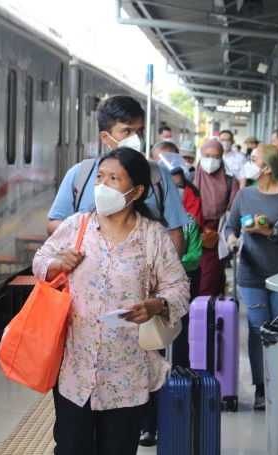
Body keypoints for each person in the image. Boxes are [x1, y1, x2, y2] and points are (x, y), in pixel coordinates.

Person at [33, 147, 190, 455]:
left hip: (127, 375)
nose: (103, 185)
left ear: (137, 191)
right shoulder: (77, 226)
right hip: (75, 371)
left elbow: (180, 287)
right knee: (70, 448)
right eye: (100, 177)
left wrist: (155, 305)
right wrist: (59, 264)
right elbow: (40, 260)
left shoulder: (152, 236)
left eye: (114, 178)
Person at [47, 95, 190, 259]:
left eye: (140, 131)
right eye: (127, 131)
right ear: (105, 137)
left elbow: (174, 232)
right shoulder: (80, 174)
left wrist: (170, 277)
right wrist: (89, 234)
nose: (137, 139)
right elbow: (53, 224)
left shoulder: (159, 176)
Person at [224, 143, 278, 410]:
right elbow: (231, 225)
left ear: (267, 167)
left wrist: (271, 232)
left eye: (253, 159)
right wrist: (232, 239)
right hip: (251, 272)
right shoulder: (245, 194)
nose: (249, 162)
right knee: (258, 329)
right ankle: (261, 388)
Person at [139, 165, 203, 447]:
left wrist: (166, 277)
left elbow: (192, 257)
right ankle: (146, 423)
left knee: (162, 355)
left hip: (162, 300)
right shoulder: (137, 222)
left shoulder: (183, 224)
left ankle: (159, 419)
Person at [194, 139, 239, 297]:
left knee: (205, 286)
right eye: (207, 155)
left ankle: (204, 319)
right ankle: (213, 317)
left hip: (215, 239)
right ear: (201, 155)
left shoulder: (230, 182)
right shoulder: (190, 177)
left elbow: (234, 212)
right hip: (191, 241)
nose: (211, 160)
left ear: (221, 158)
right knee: (204, 283)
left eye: (216, 156)